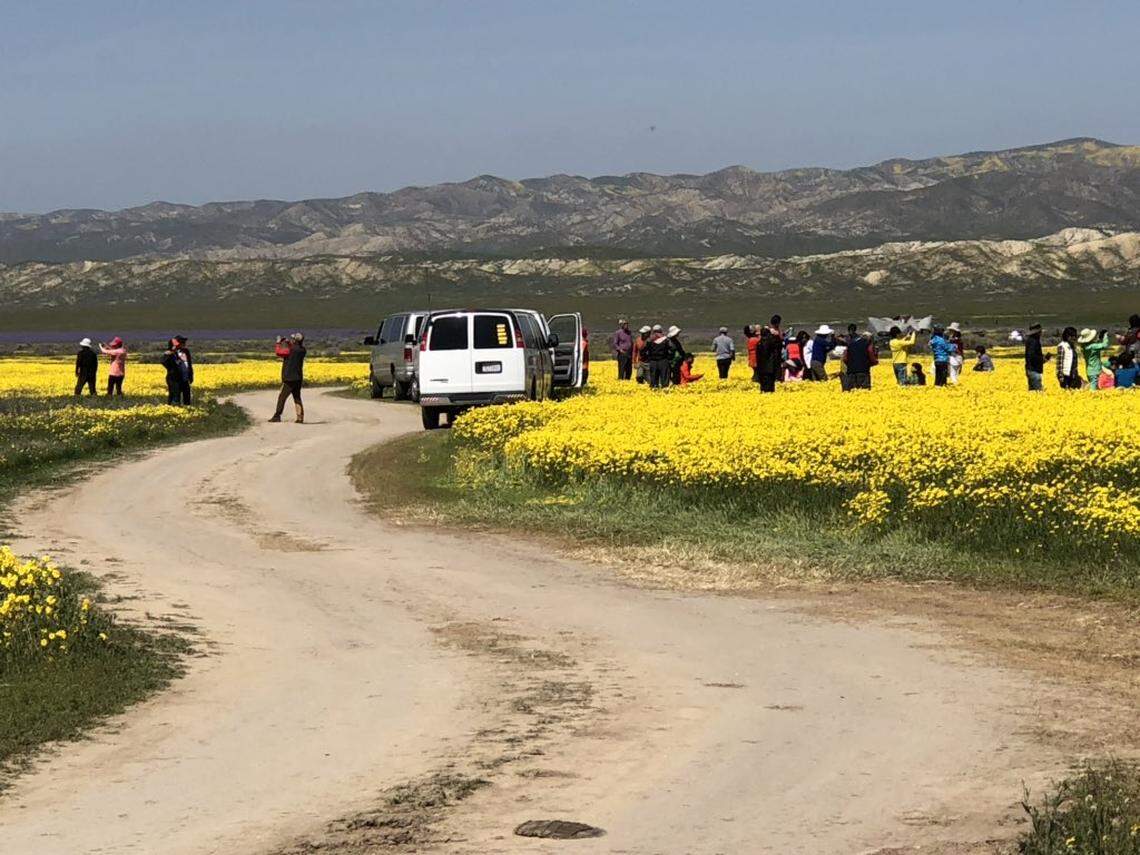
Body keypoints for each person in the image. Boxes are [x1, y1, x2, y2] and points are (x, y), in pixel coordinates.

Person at [269, 333, 307, 422]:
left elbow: (278, 352)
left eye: (293, 339)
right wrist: (288, 342)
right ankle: (300, 417)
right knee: (297, 397)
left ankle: (277, 416)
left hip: (289, 378)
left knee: (282, 397)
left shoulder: (290, 350)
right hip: (298, 378)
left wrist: (278, 343)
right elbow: (294, 348)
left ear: (295, 340)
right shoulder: (303, 350)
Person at [841, 324, 876, 390]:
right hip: (863, 370)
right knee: (864, 389)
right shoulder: (868, 344)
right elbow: (871, 355)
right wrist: (873, 363)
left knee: (853, 390)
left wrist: (849, 365)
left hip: (851, 371)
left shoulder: (851, 343)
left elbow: (845, 358)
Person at [755, 327, 781, 393]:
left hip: (762, 367)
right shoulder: (771, 342)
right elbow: (778, 349)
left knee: (763, 384)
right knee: (770, 384)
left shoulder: (760, 343)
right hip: (770, 367)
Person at [1024, 323, 1048, 391]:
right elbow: (1032, 356)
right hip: (1034, 370)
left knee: (1033, 392)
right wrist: (1042, 359)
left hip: (1030, 369)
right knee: (1038, 391)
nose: (1041, 333)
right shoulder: (1033, 341)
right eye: (1040, 332)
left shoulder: (1031, 340)